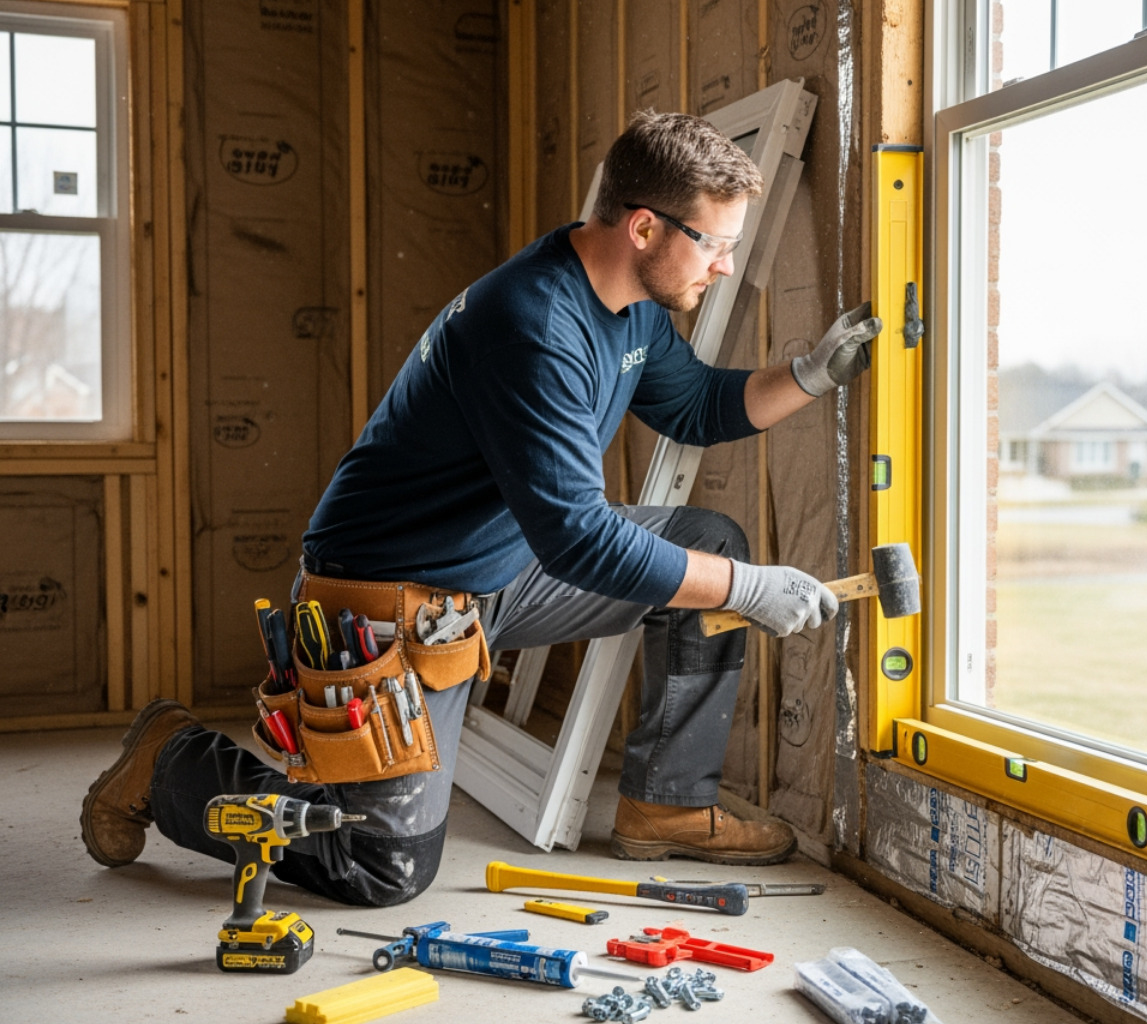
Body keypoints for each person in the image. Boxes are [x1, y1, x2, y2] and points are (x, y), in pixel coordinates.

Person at [80, 110, 881, 907]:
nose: (726, 266)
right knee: (378, 864)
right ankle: (171, 758)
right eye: (716, 243)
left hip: (505, 568)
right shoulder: (533, 326)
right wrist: (745, 589)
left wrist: (809, 375)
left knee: (708, 540)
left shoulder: (632, 303)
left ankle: (665, 803)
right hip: (393, 599)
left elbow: (699, 405)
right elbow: (581, 543)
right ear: (643, 227)